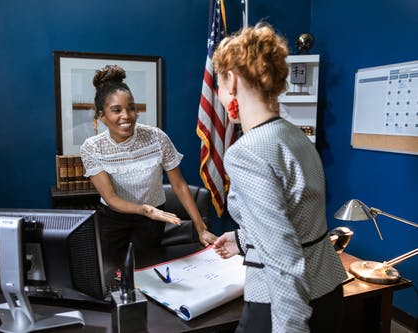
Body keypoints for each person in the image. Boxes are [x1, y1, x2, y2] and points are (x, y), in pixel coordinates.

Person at [211, 23, 347, 332]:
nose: (219, 96)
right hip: (327, 289)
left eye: (217, 85)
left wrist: (291, 327)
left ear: (232, 81)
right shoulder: (295, 136)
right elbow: (295, 219)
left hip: (283, 304)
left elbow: (284, 256)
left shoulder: (246, 151)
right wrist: (242, 240)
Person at [80, 65, 217, 267]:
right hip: (113, 220)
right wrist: (144, 209)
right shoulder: (92, 148)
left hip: (152, 221)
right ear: (101, 116)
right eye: (116, 110)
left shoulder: (157, 138)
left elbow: (179, 185)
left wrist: (200, 227)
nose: (126, 115)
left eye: (131, 108)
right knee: (114, 275)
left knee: (148, 270)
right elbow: (110, 197)